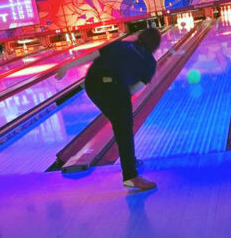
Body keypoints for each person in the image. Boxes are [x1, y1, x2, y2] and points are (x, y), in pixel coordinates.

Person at [57, 28, 161, 191]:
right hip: (113, 85)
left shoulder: (120, 44)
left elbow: (93, 55)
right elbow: (134, 89)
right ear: (155, 46)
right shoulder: (150, 62)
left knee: (120, 124)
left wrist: (67, 67)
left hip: (91, 83)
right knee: (124, 128)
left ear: (139, 37)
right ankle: (130, 176)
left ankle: (130, 160)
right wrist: (120, 95)